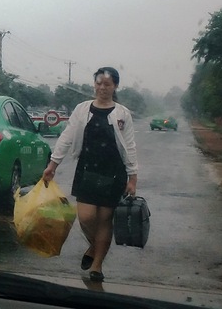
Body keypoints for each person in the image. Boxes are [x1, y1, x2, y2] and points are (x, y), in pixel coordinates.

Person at [42, 66, 138, 282]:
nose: (102, 88)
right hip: (87, 169)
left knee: (104, 220)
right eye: (99, 83)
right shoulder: (82, 109)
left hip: (114, 172)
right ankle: (95, 246)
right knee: (86, 217)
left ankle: (97, 266)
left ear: (115, 87)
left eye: (107, 84)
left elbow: (129, 146)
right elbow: (67, 137)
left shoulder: (122, 114)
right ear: (94, 84)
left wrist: (133, 177)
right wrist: (53, 164)